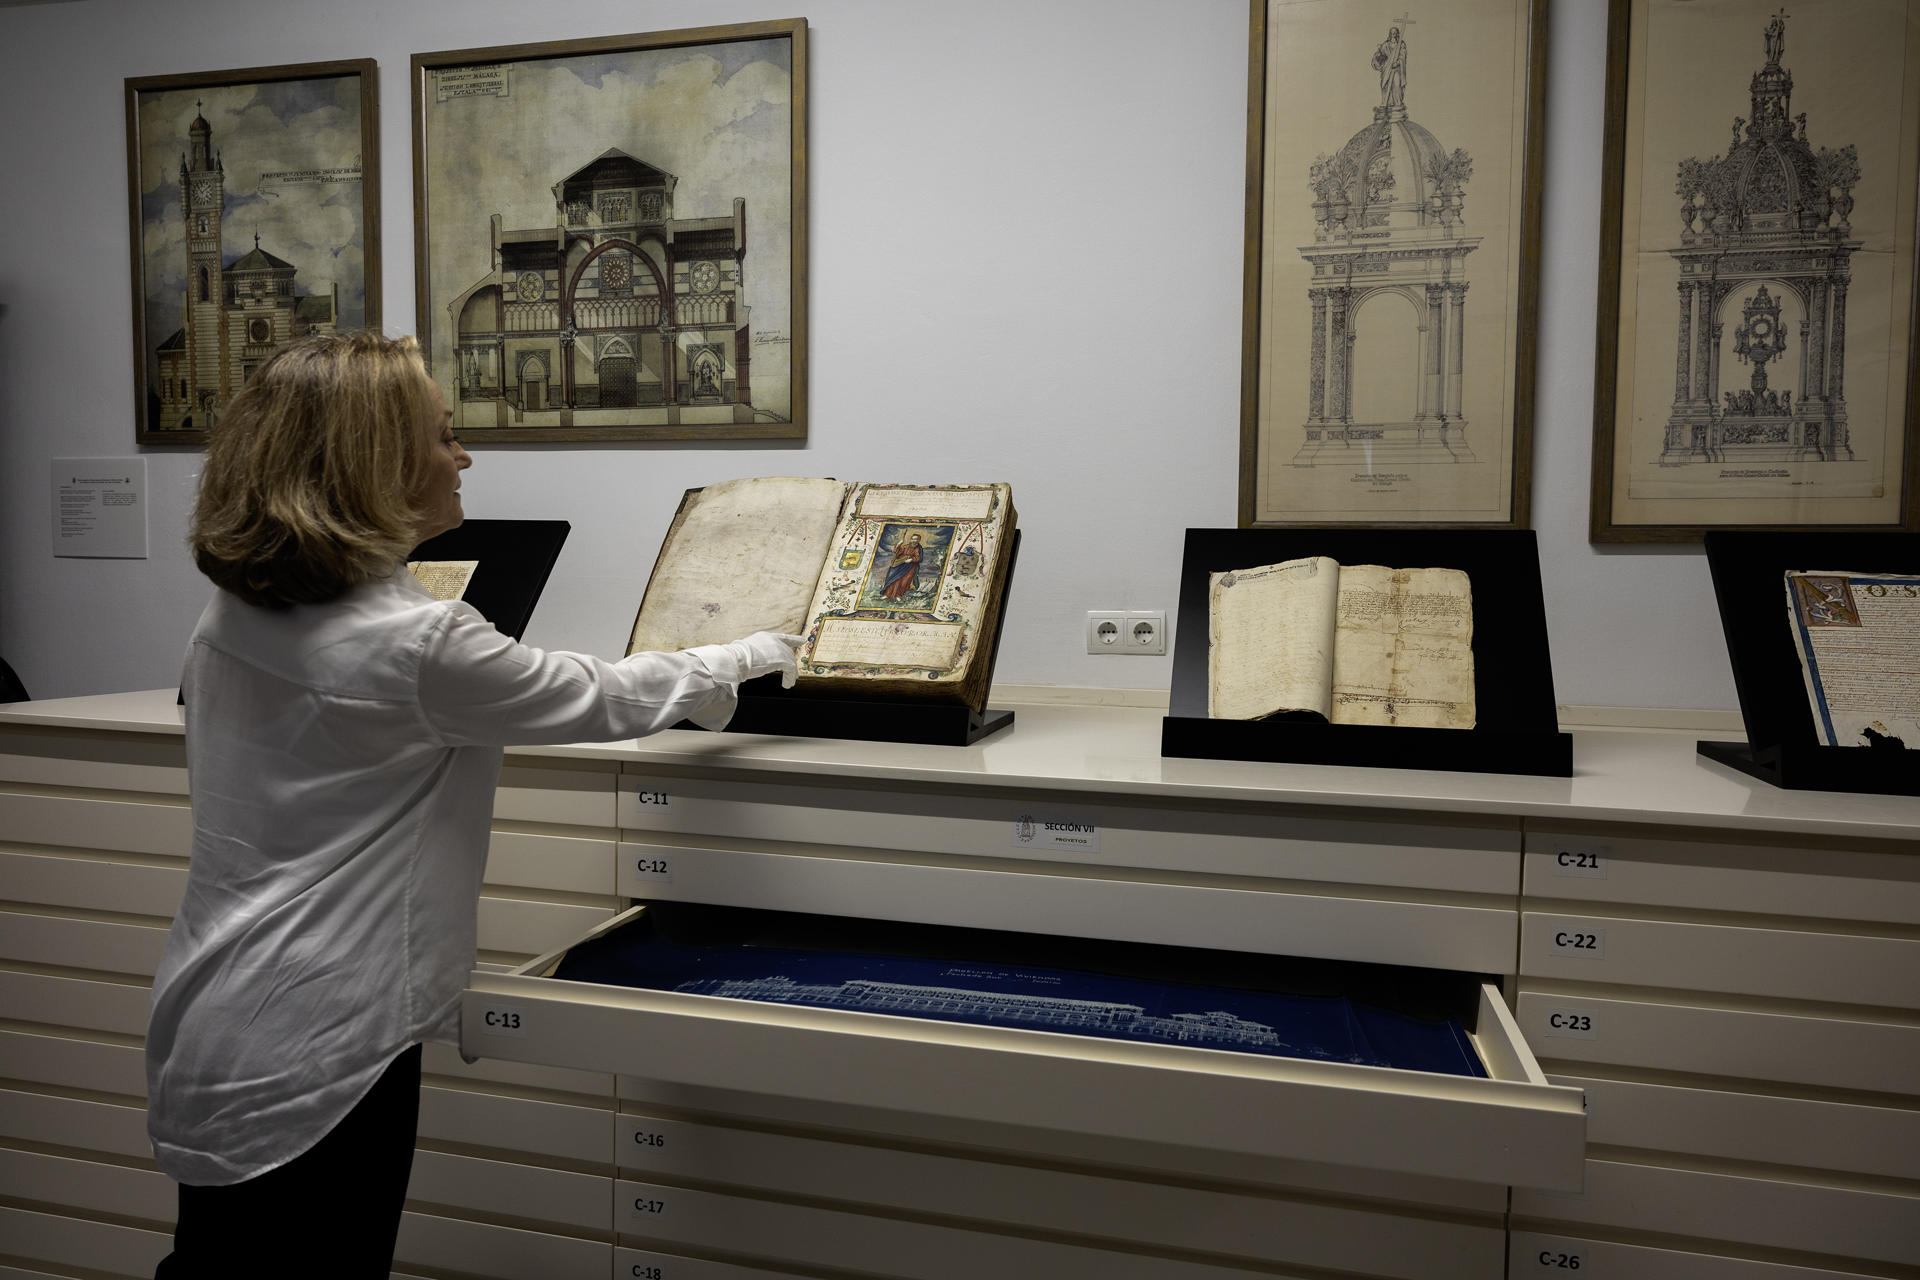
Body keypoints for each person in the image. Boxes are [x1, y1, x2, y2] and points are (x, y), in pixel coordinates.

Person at [146, 330, 802, 1276]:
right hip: (326, 1038)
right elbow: (605, 698)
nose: (463, 456)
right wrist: (750, 652)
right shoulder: (415, 640)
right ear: (372, 463)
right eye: (442, 434)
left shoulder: (238, 607)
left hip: (214, 1015)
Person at [881, 531, 923, 599]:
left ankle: (898, 595)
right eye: (913, 539)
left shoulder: (918, 549)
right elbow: (897, 552)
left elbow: (919, 558)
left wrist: (911, 559)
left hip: (910, 567)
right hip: (900, 565)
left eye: (916, 539)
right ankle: (887, 594)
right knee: (894, 579)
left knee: (904, 582)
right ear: (911, 539)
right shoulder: (906, 546)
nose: (914, 541)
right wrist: (899, 544)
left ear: (919, 540)